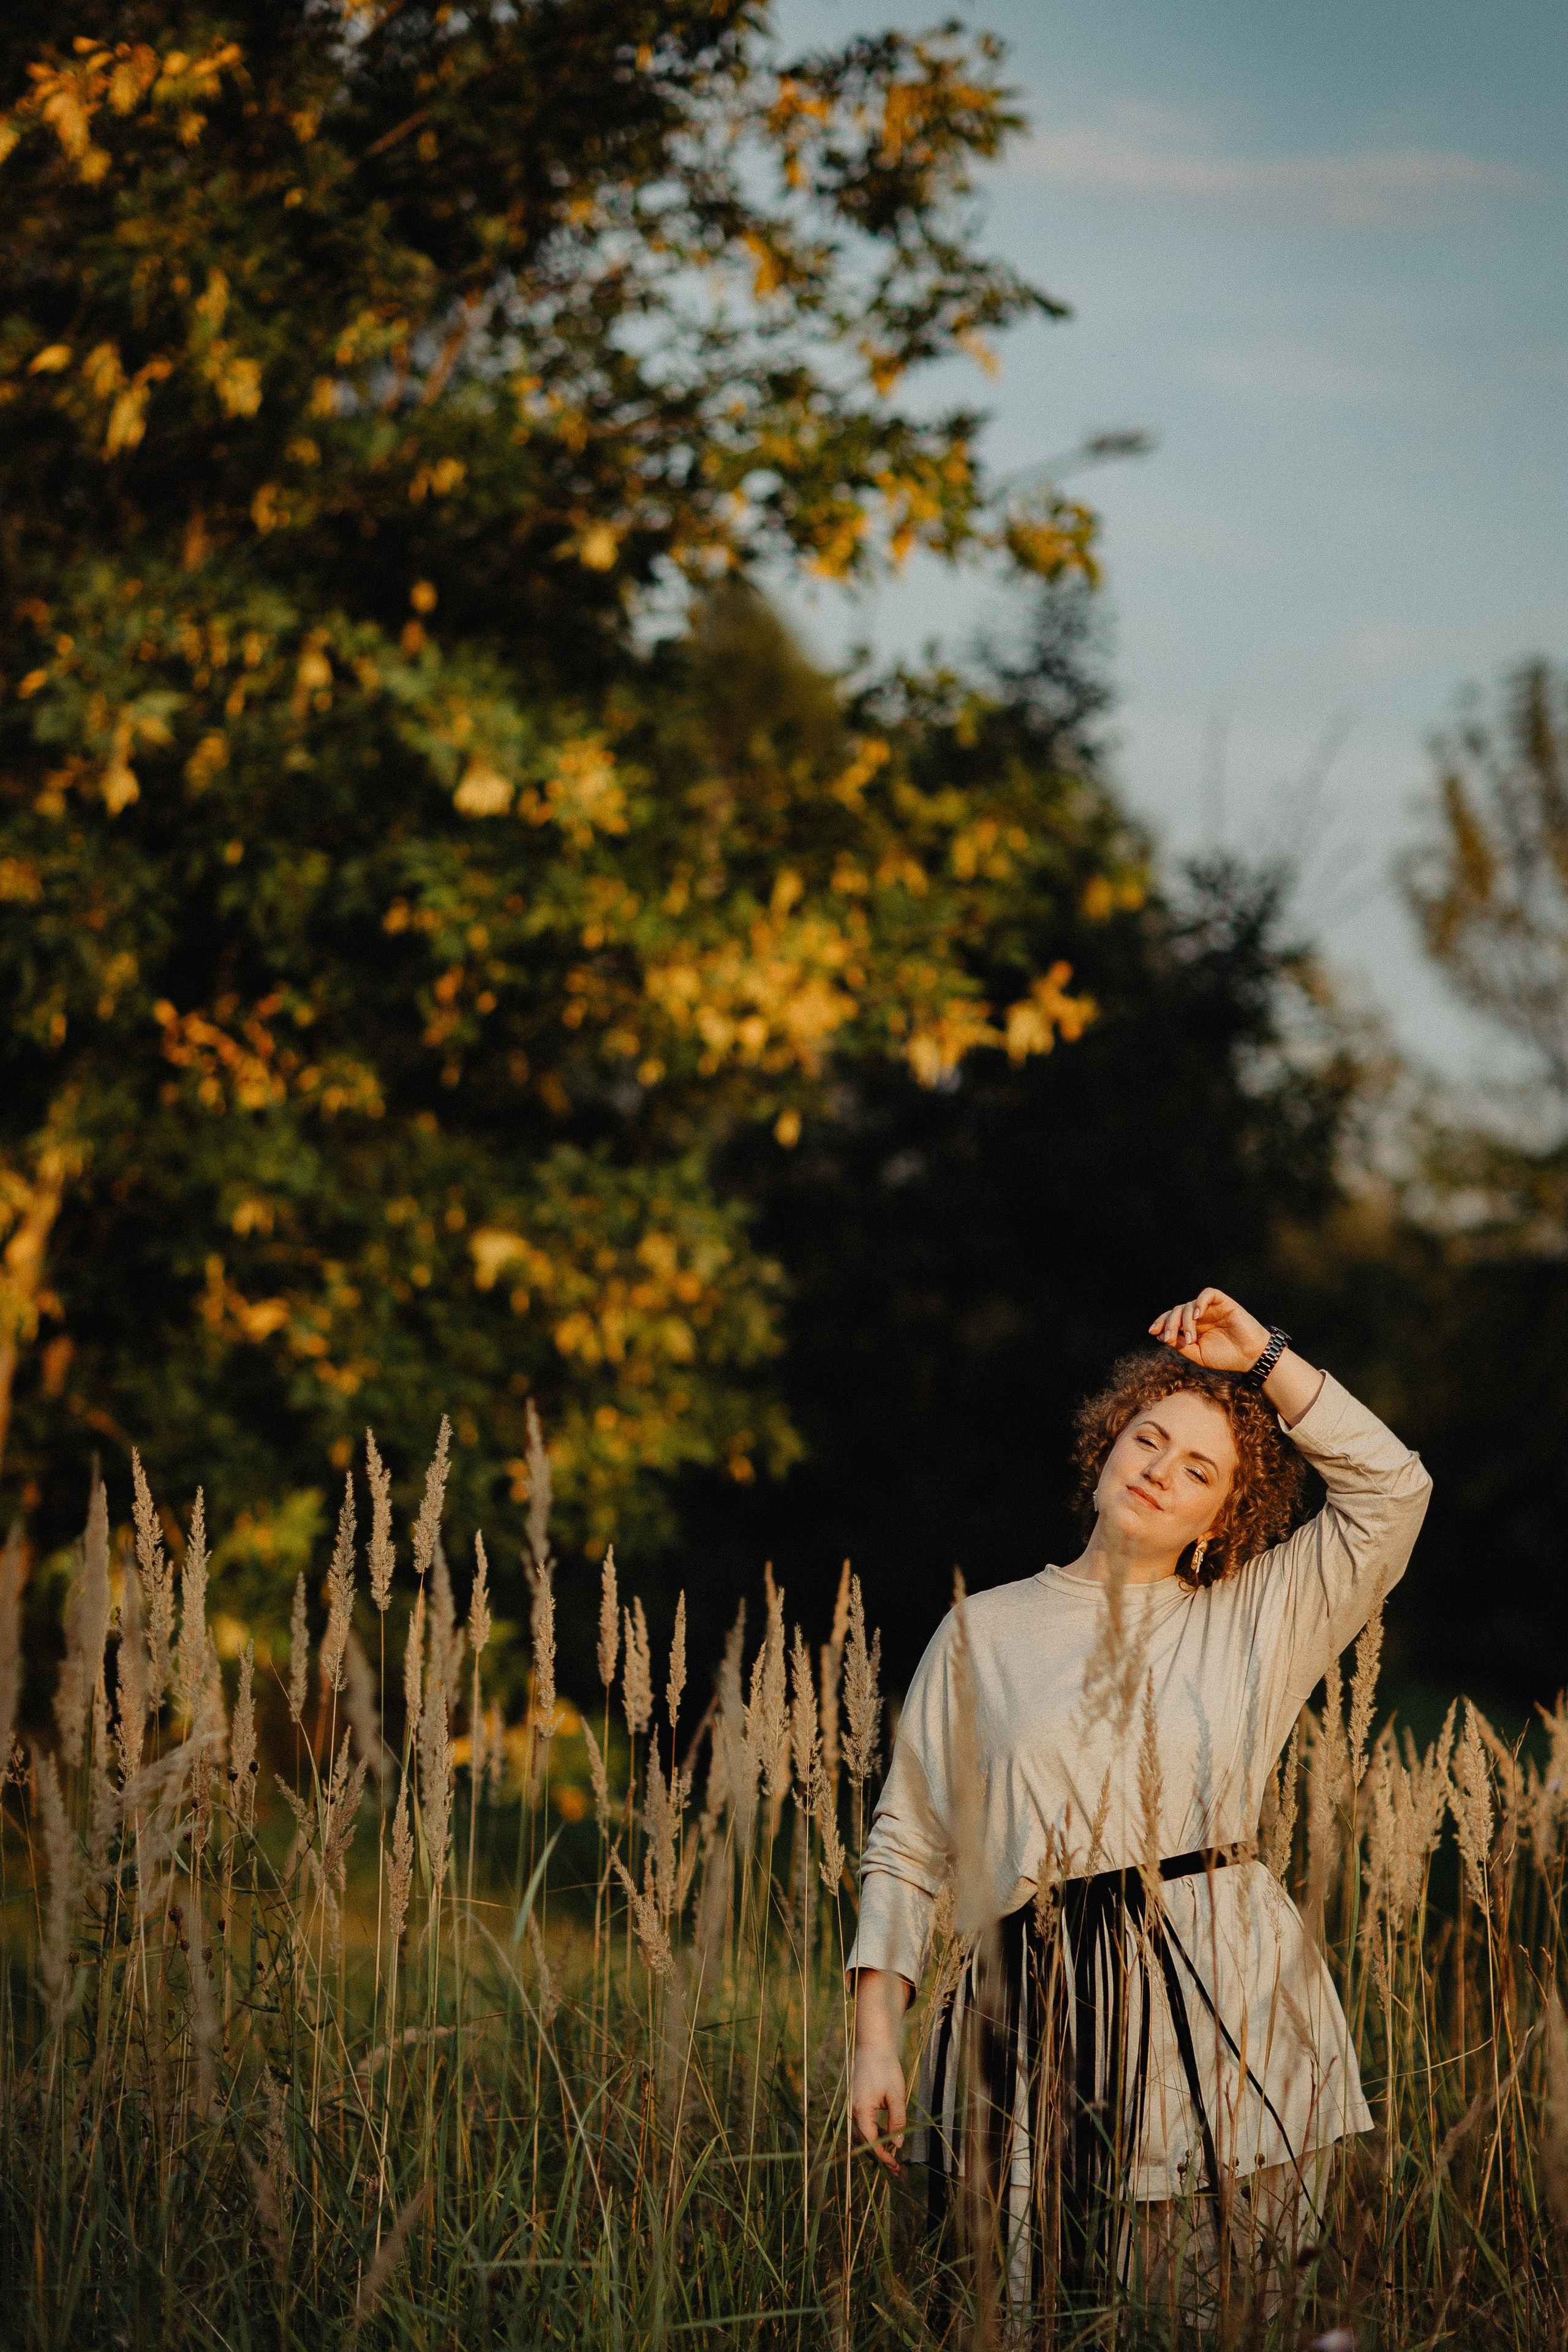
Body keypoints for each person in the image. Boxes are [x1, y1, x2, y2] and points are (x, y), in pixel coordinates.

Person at [846, 1287, 1432, 2317]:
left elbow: (1394, 1491)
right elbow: (906, 1841)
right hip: (1026, 2016)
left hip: (1228, 2011)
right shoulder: (982, 1629)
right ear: (1107, 1444)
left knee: (1218, 2313)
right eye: (1149, 1439)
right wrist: (876, 2037)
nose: (1163, 1470)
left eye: (1200, 1468)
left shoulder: (1260, 1617)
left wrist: (1265, 1358)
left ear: (1225, 1516)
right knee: (1030, 2312)